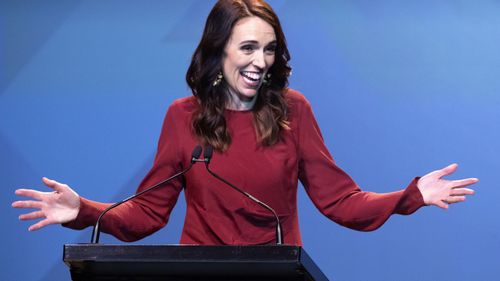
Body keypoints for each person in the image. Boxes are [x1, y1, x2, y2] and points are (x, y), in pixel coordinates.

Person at [12, 0, 477, 245]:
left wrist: (409, 196)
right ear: (220, 53)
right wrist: (85, 212)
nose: (261, 61)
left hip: (276, 271)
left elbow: (341, 202)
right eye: (248, 48)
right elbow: (150, 213)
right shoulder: (183, 118)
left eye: (270, 48)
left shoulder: (294, 110)